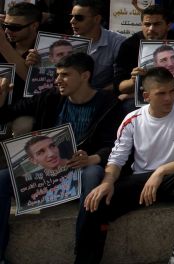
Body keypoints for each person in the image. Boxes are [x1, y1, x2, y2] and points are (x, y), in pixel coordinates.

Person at [77, 67, 174, 264]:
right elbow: (116, 159)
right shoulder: (132, 120)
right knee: (95, 201)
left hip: (171, 180)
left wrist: (162, 170)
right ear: (147, 95)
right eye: (161, 93)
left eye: (172, 91)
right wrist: (107, 182)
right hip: (141, 183)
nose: (169, 98)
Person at [0, 52, 122, 263]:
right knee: (1, 179)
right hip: (46, 171)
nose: (58, 80)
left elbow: (114, 145)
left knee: (94, 175)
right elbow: (8, 114)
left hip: (82, 168)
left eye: (65, 75)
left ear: (85, 76)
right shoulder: (49, 97)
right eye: (57, 74)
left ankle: (85, 256)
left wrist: (92, 157)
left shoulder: (107, 103)